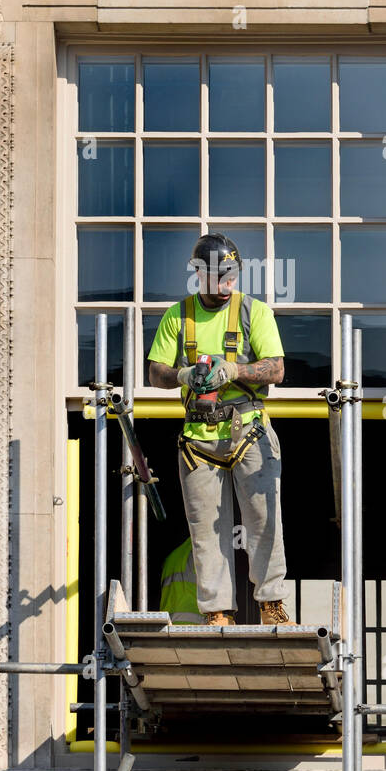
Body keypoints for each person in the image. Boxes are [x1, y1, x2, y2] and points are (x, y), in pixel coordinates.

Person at [147, 232, 292, 626]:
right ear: (199, 274)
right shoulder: (178, 316)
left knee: (264, 519)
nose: (227, 284)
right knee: (206, 530)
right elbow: (155, 372)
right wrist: (182, 374)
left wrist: (236, 370)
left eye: (231, 275)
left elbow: (276, 369)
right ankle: (216, 612)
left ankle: (272, 605)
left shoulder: (253, 312)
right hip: (198, 437)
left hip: (248, 430)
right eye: (218, 276)